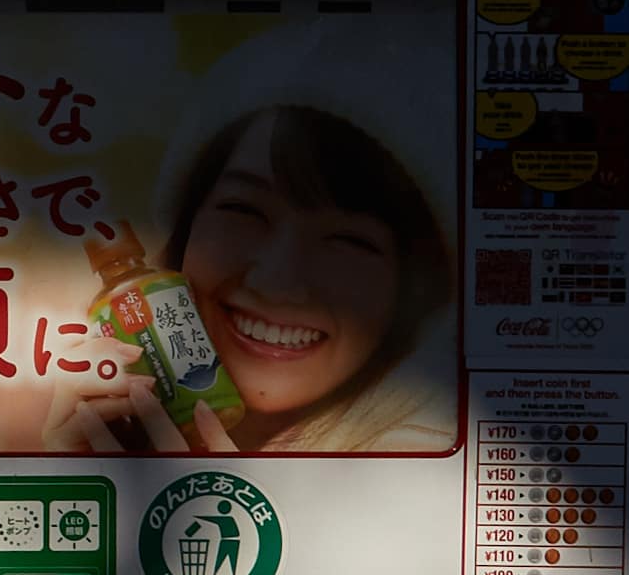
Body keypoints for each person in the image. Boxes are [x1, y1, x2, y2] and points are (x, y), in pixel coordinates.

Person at [52, 102, 454, 457]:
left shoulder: (424, 466)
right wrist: (82, 486)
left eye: (349, 240)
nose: (277, 282)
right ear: (186, 225)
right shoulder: (112, 428)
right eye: (244, 211)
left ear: (411, 285)